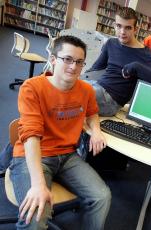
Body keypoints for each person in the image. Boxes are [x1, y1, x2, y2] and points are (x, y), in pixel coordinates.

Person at [10, 35, 111, 230]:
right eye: (67, 59)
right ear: (54, 59)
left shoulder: (86, 90)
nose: (73, 67)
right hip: (34, 154)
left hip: (67, 156)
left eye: (79, 62)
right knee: (36, 217)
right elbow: (31, 135)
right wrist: (38, 184)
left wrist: (96, 131)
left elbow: (92, 113)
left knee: (102, 196)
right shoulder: (32, 87)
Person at [87, 7, 151, 117]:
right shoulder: (111, 43)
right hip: (97, 87)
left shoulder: (144, 53)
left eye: (128, 28)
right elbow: (95, 68)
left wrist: (137, 67)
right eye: (119, 26)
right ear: (114, 25)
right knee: (67, 85)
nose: (122, 32)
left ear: (135, 29)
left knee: (73, 92)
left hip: (111, 101)